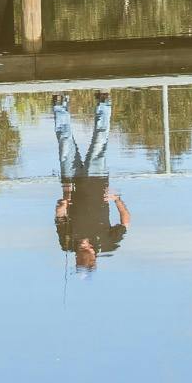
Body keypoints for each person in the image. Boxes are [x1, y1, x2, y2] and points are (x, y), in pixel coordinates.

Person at [52, 92, 129, 271]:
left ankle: (60, 104)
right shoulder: (109, 244)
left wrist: (63, 202)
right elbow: (125, 222)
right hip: (97, 180)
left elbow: (59, 216)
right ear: (93, 259)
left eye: (79, 261)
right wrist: (117, 199)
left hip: (70, 181)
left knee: (64, 140)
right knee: (100, 139)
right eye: (84, 261)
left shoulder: (67, 244)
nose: (80, 258)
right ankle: (104, 103)